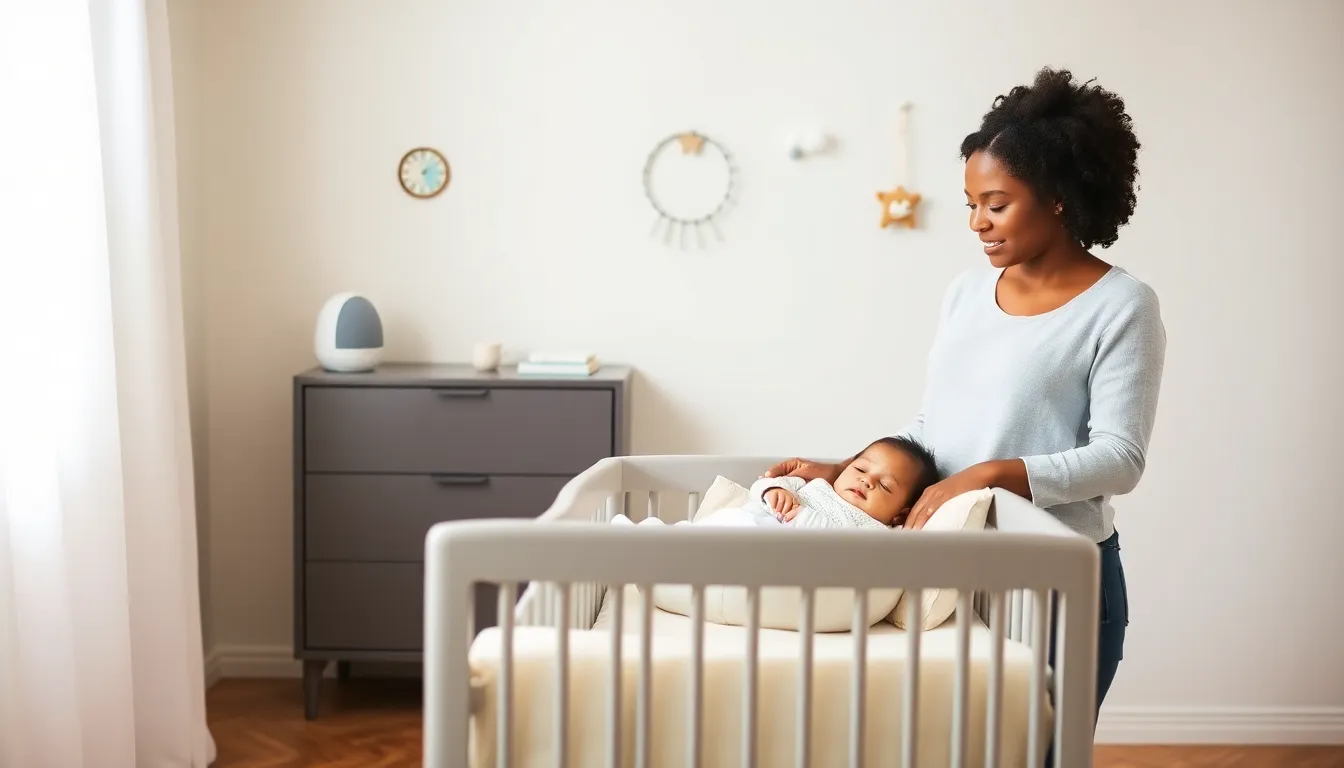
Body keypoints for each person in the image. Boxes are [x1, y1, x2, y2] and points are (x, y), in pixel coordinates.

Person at [764, 67, 1166, 720]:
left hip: (1055, 581)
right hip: (955, 572)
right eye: (970, 203)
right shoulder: (966, 293)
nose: (977, 222)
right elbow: (938, 425)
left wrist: (990, 475)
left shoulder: (1121, 306)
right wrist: (852, 469)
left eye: (996, 204)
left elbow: (1121, 458)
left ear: (1057, 196)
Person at [616, 436, 938, 531]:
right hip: (755, 521)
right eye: (861, 468)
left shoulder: (876, 533)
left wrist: (802, 518)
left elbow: (849, 551)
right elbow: (758, 488)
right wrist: (775, 491)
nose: (866, 481)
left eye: (884, 486)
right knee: (723, 523)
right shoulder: (817, 488)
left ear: (899, 514)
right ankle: (648, 535)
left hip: (778, 549)